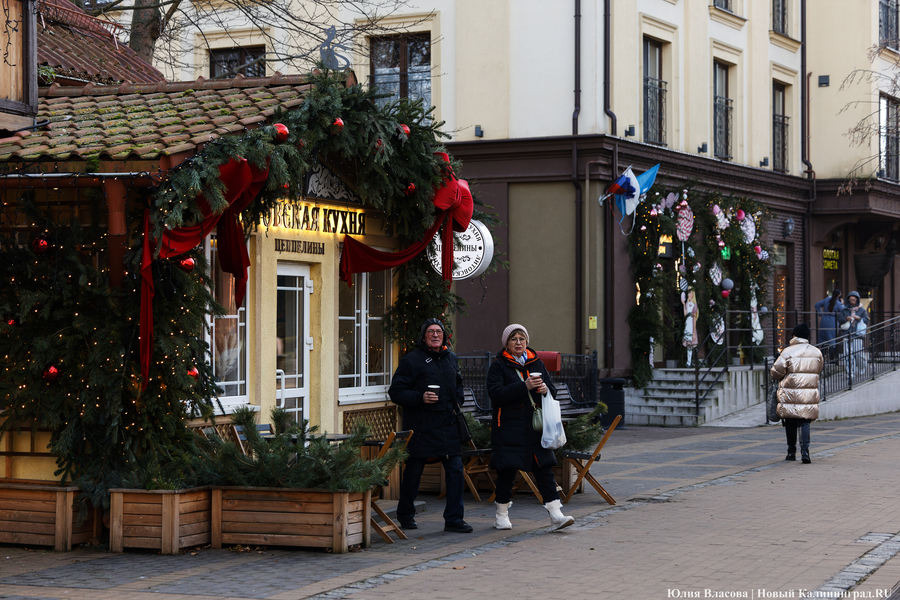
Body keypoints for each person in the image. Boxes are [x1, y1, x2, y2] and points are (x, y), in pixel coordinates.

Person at [486, 324, 575, 532]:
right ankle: (501, 515)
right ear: (506, 344)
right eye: (514, 339)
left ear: (527, 342)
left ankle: (556, 515)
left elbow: (552, 390)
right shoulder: (499, 366)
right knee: (507, 471)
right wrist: (523, 386)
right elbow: (496, 395)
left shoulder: (536, 362)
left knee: (544, 469)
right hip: (509, 428)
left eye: (522, 338)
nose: (518, 342)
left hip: (535, 428)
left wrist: (545, 390)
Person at [388, 318, 472, 533]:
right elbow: (396, 392)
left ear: (444, 336)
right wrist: (420, 397)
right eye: (431, 332)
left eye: (439, 332)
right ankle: (406, 515)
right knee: (413, 474)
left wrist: (459, 400)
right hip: (422, 427)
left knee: (455, 472)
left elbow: (460, 384)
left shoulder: (451, 358)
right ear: (423, 337)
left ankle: (454, 519)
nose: (435, 335)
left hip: (448, 426)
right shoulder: (411, 360)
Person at [770, 323, 823, 464]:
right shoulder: (816, 352)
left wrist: (777, 359)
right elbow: (819, 369)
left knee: (790, 422)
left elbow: (775, 373)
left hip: (790, 393)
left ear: (794, 335)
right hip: (808, 393)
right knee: (805, 422)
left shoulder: (787, 352)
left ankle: (791, 452)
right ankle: (805, 452)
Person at [839, 291, 869, 377]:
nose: (852, 301)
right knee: (847, 355)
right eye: (850, 300)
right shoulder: (844, 310)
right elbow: (839, 319)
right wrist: (846, 318)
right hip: (847, 333)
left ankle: (862, 368)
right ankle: (850, 372)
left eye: (853, 300)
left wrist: (859, 318)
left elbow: (866, 320)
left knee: (859, 354)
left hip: (857, 334)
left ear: (857, 300)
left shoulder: (862, 310)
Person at [814, 289, 843, 357]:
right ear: (839, 295)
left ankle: (822, 356)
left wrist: (821, 313)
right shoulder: (838, 303)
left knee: (823, 339)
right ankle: (832, 358)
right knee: (832, 340)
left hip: (824, 320)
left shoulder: (826, 300)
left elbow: (817, 305)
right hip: (833, 321)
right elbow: (844, 310)